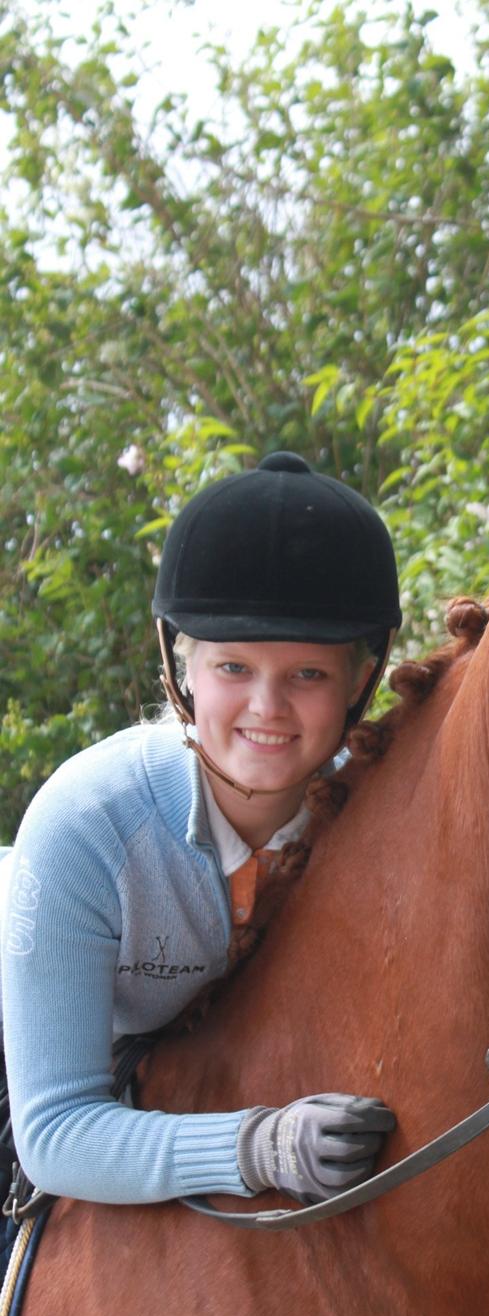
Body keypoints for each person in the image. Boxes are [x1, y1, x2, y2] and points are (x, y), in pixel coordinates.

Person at [0, 451, 401, 1226]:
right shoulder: (84, 824)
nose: (267, 707)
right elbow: (50, 1134)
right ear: (181, 667)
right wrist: (260, 1148)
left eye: (308, 675)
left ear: (361, 680)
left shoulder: (375, 799)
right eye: (232, 666)